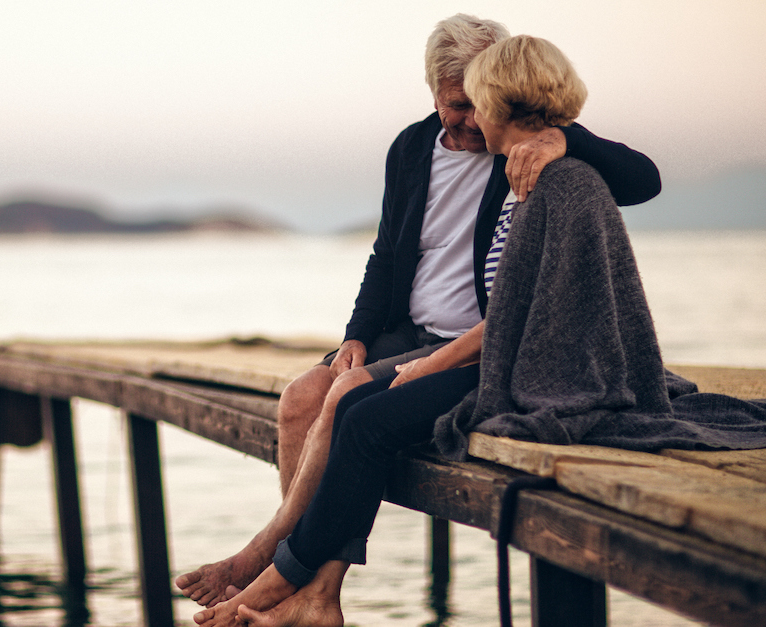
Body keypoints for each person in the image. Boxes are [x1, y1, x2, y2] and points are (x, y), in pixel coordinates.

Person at [195, 34, 766, 627]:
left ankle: (280, 574)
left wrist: (564, 137)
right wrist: (359, 336)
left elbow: (539, 291)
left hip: (499, 357)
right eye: (455, 103)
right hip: (443, 337)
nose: (469, 118)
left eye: (478, 101)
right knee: (305, 397)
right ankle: (299, 587)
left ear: (500, 97)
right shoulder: (417, 148)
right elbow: (391, 255)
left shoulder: (542, 165)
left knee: (353, 407)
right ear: (435, 96)